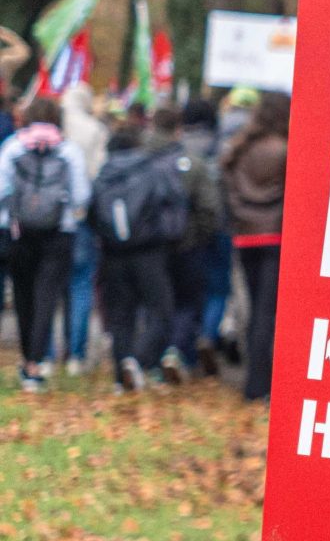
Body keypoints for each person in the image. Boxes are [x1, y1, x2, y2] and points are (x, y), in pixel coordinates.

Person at [91, 114, 189, 391]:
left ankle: (123, 373)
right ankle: (140, 358)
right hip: (149, 252)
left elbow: (90, 212)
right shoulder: (153, 170)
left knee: (120, 314)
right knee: (161, 310)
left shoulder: (104, 173)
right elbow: (174, 203)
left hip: (113, 254)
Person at [1, 98, 89, 391]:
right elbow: (80, 196)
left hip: (17, 232)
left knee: (24, 297)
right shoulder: (68, 150)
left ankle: (27, 361)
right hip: (58, 233)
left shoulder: (13, 146)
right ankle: (38, 363)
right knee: (46, 298)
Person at [221, 92, 289, 402]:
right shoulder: (285, 150)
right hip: (274, 237)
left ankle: (254, 380)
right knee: (266, 313)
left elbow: (227, 190)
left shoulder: (240, 148)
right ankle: (260, 385)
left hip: (245, 236)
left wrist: (238, 218)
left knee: (252, 309)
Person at [171, 98, 233, 369]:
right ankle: (208, 335)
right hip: (220, 228)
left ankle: (180, 347)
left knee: (183, 292)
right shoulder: (225, 147)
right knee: (218, 289)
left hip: (182, 233)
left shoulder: (176, 146)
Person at [57, 81, 109, 370]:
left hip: (45, 219)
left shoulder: (51, 126)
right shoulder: (94, 129)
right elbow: (99, 174)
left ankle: (45, 354)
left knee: (49, 286)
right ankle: (75, 353)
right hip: (82, 217)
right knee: (80, 283)